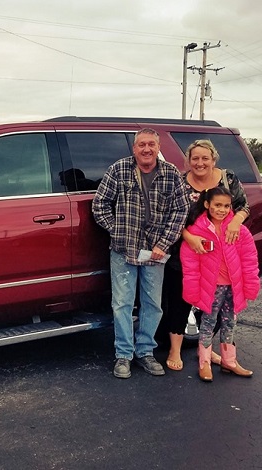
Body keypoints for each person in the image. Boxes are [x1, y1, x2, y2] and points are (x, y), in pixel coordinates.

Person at [93, 128, 189, 379]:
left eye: (151, 144)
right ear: (133, 148)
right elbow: (100, 204)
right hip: (123, 250)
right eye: (141, 145)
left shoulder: (171, 175)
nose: (146, 149)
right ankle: (123, 355)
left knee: (152, 305)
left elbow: (180, 211)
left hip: (155, 252)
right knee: (122, 304)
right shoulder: (119, 170)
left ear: (158, 148)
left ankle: (145, 352)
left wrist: (163, 243)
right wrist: (118, 232)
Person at [162, 139, 250, 371]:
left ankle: (209, 352)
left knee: (218, 306)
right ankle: (175, 350)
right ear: (188, 161)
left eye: (205, 158)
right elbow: (169, 216)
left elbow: (243, 206)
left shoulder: (228, 179)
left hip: (221, 254)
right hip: (187, 253)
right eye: (195, 159)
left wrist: (236, 223)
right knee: (181, 301)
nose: (200, 163)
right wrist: (188, 237)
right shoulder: (180, 183)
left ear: (214, 159)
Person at [180, 187, 259, 381]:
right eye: (217, 205)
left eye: (226, 206)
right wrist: (192, 289)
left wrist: (251, 285)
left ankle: (229, 361)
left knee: (229, 323)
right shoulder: (197, 230)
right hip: (211, 288)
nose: (222, 209)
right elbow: (190, 263)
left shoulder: (238, 230)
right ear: (207, 205)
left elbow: (249, 260)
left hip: (233, 287)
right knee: (208, 323)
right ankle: (204, 362)